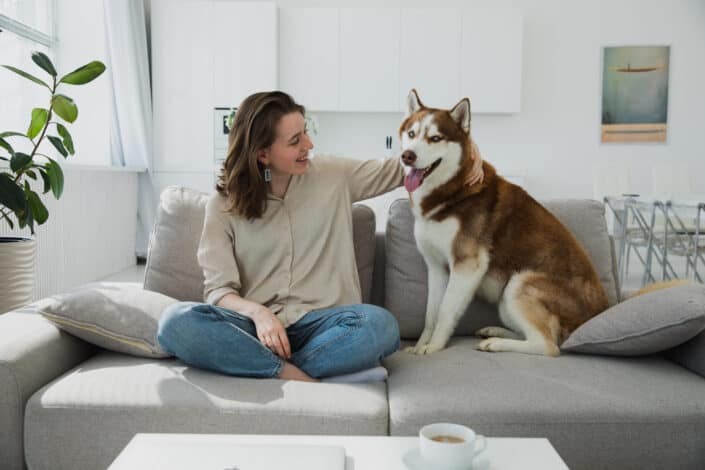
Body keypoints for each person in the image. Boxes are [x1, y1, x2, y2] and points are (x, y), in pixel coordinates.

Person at [157, 91, 483, 382]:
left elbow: (410, 166)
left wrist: (471, 150)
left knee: (380, 326)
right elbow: (218, 290)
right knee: (175, 322)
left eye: (306, 134)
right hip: (255, 330)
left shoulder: (334, 175)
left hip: (328, 326)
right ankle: (292, 373)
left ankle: (266, 369)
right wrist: (261, 314)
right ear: (262, 154)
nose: (308, 146)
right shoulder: (223, 205)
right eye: (295, 140)